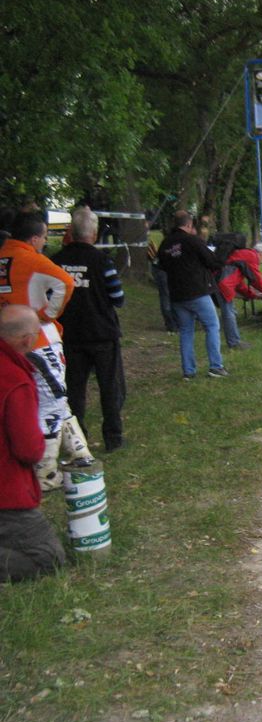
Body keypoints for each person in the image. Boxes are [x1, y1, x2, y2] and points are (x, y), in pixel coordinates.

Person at [0, 211, 93, 489]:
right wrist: (48, 314)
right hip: (38, 339)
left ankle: (79, 450)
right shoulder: (31, 259)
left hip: (9, 338)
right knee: (51, 400)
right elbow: (65, 281)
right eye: (42, 238)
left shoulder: (3, 257)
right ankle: (46, 473)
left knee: (52, 397)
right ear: (35, 237)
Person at [0, 305, 66, 582]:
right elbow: (29, 449)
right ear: (28, 340)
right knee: (48, 558)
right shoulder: (16, 381)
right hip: (7, 491)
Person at [51, 207, 126, 452]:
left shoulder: (55, 261)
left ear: (71, 232)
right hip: (102, 333)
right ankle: (113, 437)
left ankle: (77, 438)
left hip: (70, 334)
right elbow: (118, 297)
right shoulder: (102, 261)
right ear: (93, 235)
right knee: (110, 387)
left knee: (74, 389)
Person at [157, 210, 228, 379]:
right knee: (212, 325)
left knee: (186, 331)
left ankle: (188, 371)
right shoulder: (192, 241)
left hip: (176, 294)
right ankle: (215, 366)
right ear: (189, 225)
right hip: (197, 291)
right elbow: (212, 261)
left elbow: (162, 265)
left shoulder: (165, 244)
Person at [218, 242, 262, 349]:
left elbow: (239, 283)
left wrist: (253, 295)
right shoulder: (251, 256)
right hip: (224, 284)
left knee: (230, 313)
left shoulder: (243, 255)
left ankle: (234, 341)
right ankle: (234, 343)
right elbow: (256, 279)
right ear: (261, 254)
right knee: (229, 314)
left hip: (223, 283)